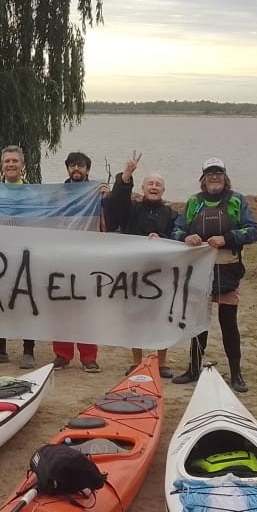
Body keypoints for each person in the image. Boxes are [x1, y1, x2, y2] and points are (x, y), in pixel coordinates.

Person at [171, 157, 257, 392]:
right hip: (199, 272)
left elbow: (253, 231)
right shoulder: (194, 202)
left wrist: (227, 238)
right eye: (210, 173)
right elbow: (176, 229)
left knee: (228, 323)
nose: (214, 177)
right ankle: (193, 368)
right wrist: (185, 237)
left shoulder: (237, 201)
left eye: (218, 173)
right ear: (203, 178)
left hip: (227, 270)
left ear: (224, 177)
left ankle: (236, 373)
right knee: (198, 324)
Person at [106, 150, 177, 378]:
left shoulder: (171, 214)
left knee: (161, 318)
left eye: (158, 184)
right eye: (150, 184)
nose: (154, 187)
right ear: (143, 188)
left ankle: (161, 363)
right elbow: (117, 205)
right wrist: (126, 176)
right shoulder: (132, 209)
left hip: (161, 274)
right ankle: (136, 362)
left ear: (163, 190)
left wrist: (162, 239)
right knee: (134, 318)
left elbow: (178, 237)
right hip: (134, 273)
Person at [50, 151, 109, 373]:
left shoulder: (97, 192)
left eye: (81, 165)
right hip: (61, 257)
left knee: (86, 308)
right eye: (72, 165)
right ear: (67, 169)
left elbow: (109, 222)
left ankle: (88, 356)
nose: (76, 169)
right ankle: (62, 354)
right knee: (61, 307)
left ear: (87, 169)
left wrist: (107, 199)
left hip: (88, 258)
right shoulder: (58, 194)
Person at [0, 145, 37, 369]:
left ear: (22, 165)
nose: (11, 164)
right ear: (1, 166)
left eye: (15, 161)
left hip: (25, 253)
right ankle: (0, 348)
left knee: (27, 302)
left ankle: (28, 350)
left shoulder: (32, 194)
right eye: (7, 161)